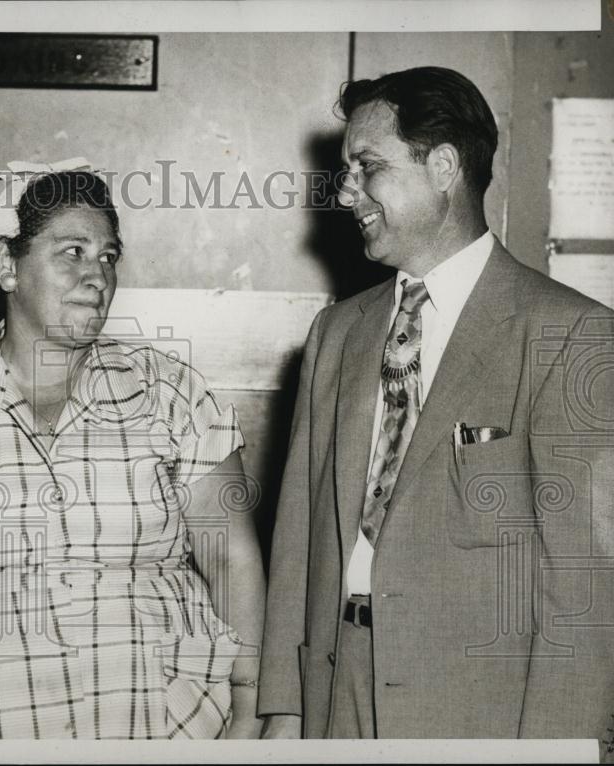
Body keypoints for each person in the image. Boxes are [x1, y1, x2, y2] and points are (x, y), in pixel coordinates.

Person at [258, 66, 614, 753]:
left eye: (368, 166)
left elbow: (585, 595)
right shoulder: (338, 333)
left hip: (482, 713)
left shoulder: (570, 336)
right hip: (338, 698)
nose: (345, 189)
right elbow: (298, 535)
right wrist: (285, 706)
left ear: (444, 166)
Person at [0, 164, 266, 739]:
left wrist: (251, 702)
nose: (98, 277)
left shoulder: (168, 390)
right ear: (8, 265)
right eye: (73, 252)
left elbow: (230, 558)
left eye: (108, 257)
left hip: (158, 719)